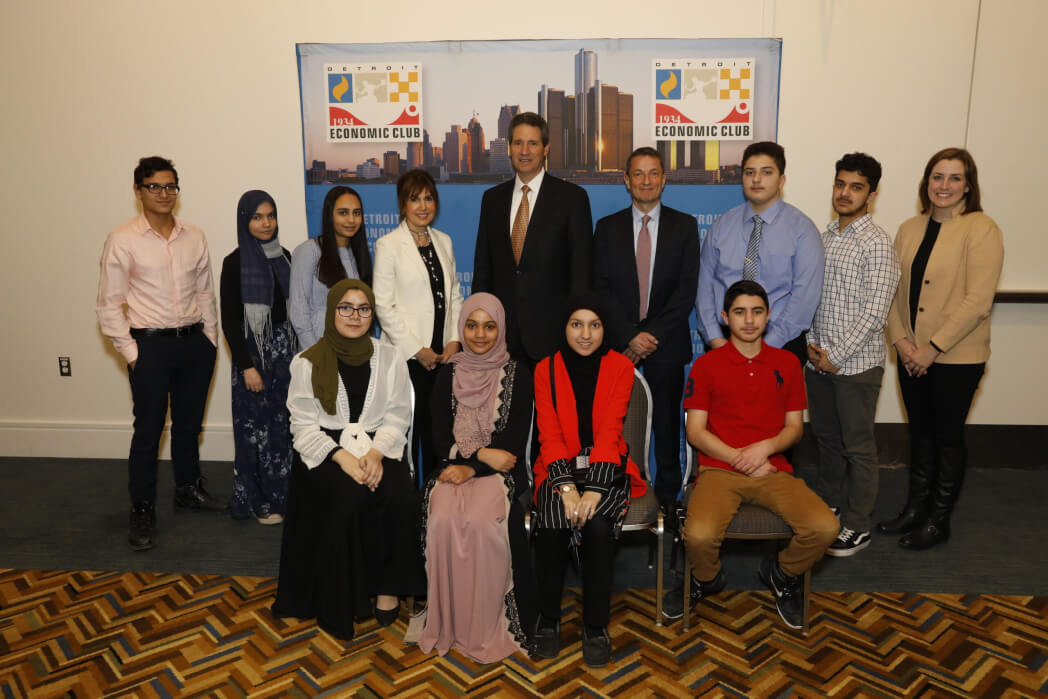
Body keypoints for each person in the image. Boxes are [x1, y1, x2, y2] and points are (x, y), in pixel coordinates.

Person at [664, 281, 838, 630]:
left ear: (768, 316)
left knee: (825, 527)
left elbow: (794, 429)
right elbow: (695, 431)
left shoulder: (787, 363)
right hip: (718, 470)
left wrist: (764, 449)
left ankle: (781, 573)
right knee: (698, 536)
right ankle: (706, 578)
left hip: (773, 469)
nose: (748, 320)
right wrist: (738, 459)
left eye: (757, 312)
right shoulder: (706, 365)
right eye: (740, 312)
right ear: (725, 317)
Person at [272, 279, 424, 640]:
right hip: (325, 451)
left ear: (372, 314)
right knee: (349, 497)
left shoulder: (391, 357)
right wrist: (343, 459)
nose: (354, 316)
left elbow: (398, 416)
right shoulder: (306, 362)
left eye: (363, 309)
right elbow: (302, 425)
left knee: (399, 495)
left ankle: (387, 588)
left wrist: (375, 454)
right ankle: (344, 599)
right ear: (332, 311)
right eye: (346, 307)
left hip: (378, 447)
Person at [96, 155, 226, 552]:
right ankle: (142, 508)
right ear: (138, 191)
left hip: (194, 343)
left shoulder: (194, 236)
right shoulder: (122, 239)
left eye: (170, 186)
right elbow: (108, 304)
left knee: (188, 425)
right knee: (149, 431)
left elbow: (205, 291)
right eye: (154, 186)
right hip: (149, 346)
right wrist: (133, 353)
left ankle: (187, 489)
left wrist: (210, 340)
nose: (164, 193)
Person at [877, 148, 1004, 550]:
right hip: (910, 353)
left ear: (968, 185)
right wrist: (901, 341)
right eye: (937, 176)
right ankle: (915, 509)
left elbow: (978, 301)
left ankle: (938, 520)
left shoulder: (981, 229)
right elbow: (892, 291)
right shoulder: (909, 228)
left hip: (956, 358)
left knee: (947, 437)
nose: (944, 185)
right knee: (920, 434)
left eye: (954, 178)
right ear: (926, 181)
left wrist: (931, 348)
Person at [531, 293, 648, 668]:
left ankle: (595, 626)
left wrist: (594, 490)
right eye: (576, 324)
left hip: (607, 465)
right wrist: (566, 488)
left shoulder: (620, 367)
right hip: (558, 465)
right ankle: (548, 618)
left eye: (594, 325)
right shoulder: (545, 369)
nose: (585, 334)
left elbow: (611, 432)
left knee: (597, 527)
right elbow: (549, 435)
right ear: (564, 327)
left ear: (604, 327)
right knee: (552, 523)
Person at [418, 293, 534, 662]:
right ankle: (450, 623)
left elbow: (511, 444)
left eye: (489, 326)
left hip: (500, 474)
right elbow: (438, 437)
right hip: (453, 466)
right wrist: (477, 456)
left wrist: (474, 466)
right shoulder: (448, 372)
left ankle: (485, 627)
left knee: (483, 523)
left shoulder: (517, 373)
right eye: (471, 325)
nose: (480, 335)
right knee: (442, 520)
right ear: (462, 328)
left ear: (502, 330)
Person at [593, 146, 700, 509]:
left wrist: (648, 337)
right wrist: (629, 336)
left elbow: (686, 291)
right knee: (614, 426)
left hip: (665, 346)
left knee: (666, 429)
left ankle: (668, 504)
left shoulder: (684, 226)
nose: (646, 181)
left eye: (653, 173)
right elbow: (600, 290)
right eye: (638, 173)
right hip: (617, 346)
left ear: (664, 179)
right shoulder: (606, 229)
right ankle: (615, 496)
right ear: (626, 180)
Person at [806, 154, 900, 556]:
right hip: (817, 361)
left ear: (872, 194)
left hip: (856, 367)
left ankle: (858, 525)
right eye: (840, 184)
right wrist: (813, 345)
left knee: (858, 447)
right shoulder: (825, 236)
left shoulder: (876, 244)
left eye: (856, 187)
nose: (845, 193)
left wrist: (837, 356)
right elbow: (812, 295)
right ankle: (828, 506)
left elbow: (875, 313)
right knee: (827, 441)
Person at [472, 112, 593, 364]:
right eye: (518, 143)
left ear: (546, 148)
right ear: (509, 148)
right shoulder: (491, 200)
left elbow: (581, 275)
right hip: (500, 339)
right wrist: (480, 327)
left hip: (553, 338)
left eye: (533, 143)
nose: (524, 151)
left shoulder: (572, 199)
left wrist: (575, 331)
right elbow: (483, 271)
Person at [695, 141, 824, 366]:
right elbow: (704, 286)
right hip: (724, 344)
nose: (756, 179)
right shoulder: (721, 226)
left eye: (766, 172)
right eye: (749, 172)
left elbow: (804, 298)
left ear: (781, 180)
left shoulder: (803, 230)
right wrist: (715, 339)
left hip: (781, 343)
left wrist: (762, 349)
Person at [374, 169, 464, 480]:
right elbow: (383, 306)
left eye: (428, 198)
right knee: (408, 438)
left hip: (443, 358)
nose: (423, 206)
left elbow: (454, 295)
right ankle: (409, 501)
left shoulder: (444, 241)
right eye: (415, 199)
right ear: (403, 205)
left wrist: (454, 339)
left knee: (439, 435)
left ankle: (436, 499)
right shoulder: (388, 245)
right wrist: (416, 350)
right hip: (408, 361)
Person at [220, 190, 296, 524]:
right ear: (244, 221)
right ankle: (257, 500)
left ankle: (283, 495)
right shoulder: (234, 263)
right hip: (253, 357)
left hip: (285, 357)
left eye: (271, 216)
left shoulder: (286, 258)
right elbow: (229, 322)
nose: (266, 224)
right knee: (255, 433)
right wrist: (246, 367)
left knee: (283, 429)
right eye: (257, 217)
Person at [289, 186, 372, 349]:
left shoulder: (358, 254)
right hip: (319, 346)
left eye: (356, 213)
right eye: (343, 213)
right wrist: (315, 353)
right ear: (329, 215)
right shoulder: (310, 250)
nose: (351, 220)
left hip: (352, 349)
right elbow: (298, 309)